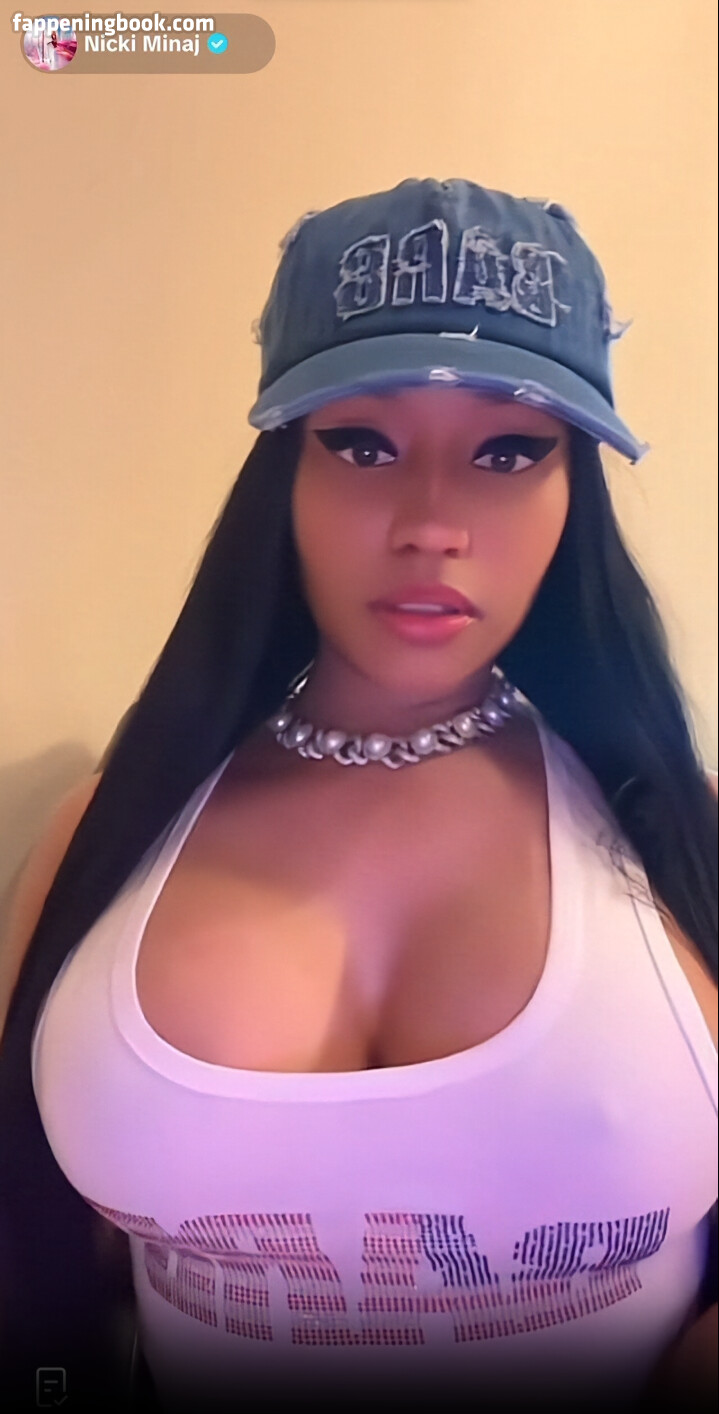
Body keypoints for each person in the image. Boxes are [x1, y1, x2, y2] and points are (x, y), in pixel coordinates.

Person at [0, 178, 716, 1414]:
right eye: (362, 444)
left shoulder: (679, 834)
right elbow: (44, 1255)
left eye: (508, 450)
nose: (431, 524)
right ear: (280, 473)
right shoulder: (109, 836)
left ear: (574, 490)